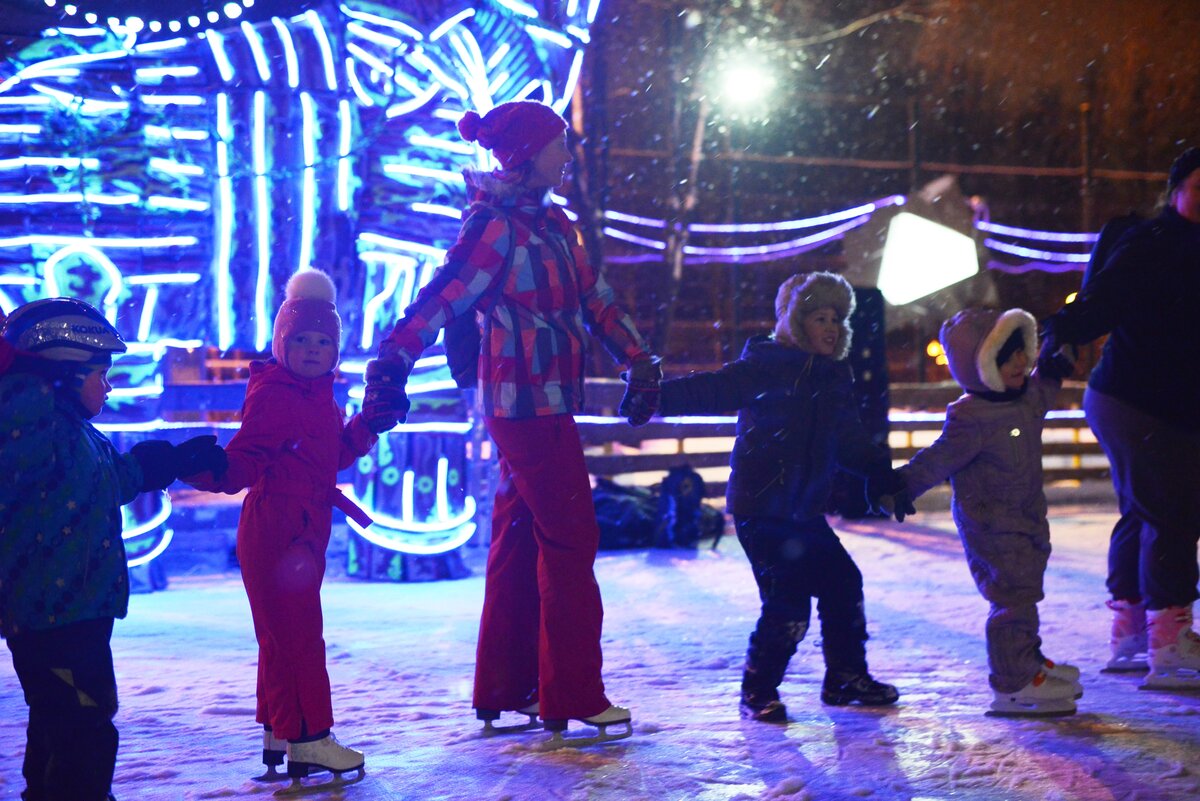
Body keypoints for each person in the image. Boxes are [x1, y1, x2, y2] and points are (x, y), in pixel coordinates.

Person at [362, 100, 659, 746]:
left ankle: (508, 684)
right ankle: (574, 692)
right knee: (573, 537)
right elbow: (441, 297)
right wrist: (393, 359)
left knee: (521, 538)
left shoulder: (558, 226)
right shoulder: (496, 228)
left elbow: (597, 300)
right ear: (527, 155)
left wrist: (640, 359)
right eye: (558, 144)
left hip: (550, 401)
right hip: (521, 405)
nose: (567, 154)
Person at [646, 271, 905, 723]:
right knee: (788, 604)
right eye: (819, 317)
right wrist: (655, 396)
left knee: (844, 583)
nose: (829, 327)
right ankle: (758, 690)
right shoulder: (766, 366)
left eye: (836, 319)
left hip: (804, 514)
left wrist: (881, 477)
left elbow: (850, 441)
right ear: (795, 322)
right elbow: (712, 388)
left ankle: (845, 677)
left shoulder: (833, 378)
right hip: (760, 511)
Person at [1, 297, 226, 801]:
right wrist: (25, 378)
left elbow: (101, 482)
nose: (109, 384)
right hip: (55, 616)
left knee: (60, 723)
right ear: (60, 376)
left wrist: (160, 463)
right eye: (98, 373)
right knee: (84, 728)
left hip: (68, 610)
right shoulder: (32, 428)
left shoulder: (70, 430)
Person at [184, 270, 377, 784]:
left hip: (302, 529)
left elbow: (331, 458)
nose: (313, 350)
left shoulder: (318, 395)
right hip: (278, 530)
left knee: (282, 636)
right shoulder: (276, 394)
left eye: (323, 342)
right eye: (302, 340)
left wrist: (369, 423)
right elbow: (247, 460)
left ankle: (281, 730)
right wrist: (208, 467)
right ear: (281, 342)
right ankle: (310, 738)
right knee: (298, 638)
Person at [1040, 147, 1200, 690]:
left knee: (1145, 509)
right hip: (1136, 400)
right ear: (1175, 190)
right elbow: (1104, 298)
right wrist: (1062, 330)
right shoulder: (1153, 244)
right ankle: (1170, 641)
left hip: (1159, 401)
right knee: (1173, 514)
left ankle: (1132, 633)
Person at [896, 308, 1082, 716]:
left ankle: (1027, 660)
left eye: (1022, 353)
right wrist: (901, 486)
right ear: (979, 366)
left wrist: (1055, 361)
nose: (1020, 363)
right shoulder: (972, 418)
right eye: (1006, 356)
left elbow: (1045, 387)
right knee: (1011, 597)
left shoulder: (1025, 397)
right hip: (991, 525)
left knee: (1025, 593)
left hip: (1027, 517)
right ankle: (1012, 682)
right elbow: (939, 459)